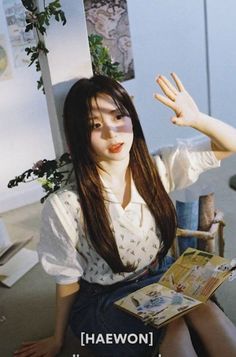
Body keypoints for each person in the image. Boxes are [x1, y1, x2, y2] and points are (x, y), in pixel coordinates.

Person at [14, 73, 236, 357]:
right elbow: (66, 279)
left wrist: (196, 119)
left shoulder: (157, 169)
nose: (112, 133)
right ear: (79, 136)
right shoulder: (66, 205)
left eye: (119, 116)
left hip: (158, 273)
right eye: (95, 125)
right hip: (103, 299)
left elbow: (229, 145)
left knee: (206, 309)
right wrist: (58, 339)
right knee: (174, 325)